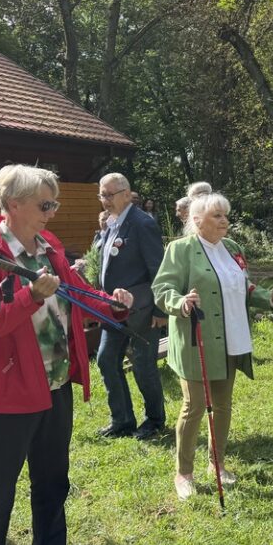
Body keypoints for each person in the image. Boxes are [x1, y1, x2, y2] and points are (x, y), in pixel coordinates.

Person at [0, 164, 134, 545]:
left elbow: (75, 290)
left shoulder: (48, 247)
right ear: (13, 205)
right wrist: (29, 297)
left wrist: (112, 304)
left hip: (53, 383)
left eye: (54, 203)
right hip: (3, 393)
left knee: (53, 476)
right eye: (45, 204)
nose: (51, 213)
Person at [152, 190, 273, 500]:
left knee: (223, 406)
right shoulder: (180, 249)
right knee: (196, 405)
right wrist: (181, 302)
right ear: (197, 220)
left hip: (231, 338)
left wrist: (269, 297)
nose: (225, 220)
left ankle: (219, 463)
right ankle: (184, 473)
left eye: (226, 214)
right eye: (218, 215)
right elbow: (162, 289)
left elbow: (244, 286)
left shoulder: (232, 248)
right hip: (195, 340)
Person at [94, 173, 167, 440]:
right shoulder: (112, 223)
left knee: (144, 365)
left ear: (127, 193)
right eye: (102, 195)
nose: (105, 201)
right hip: (112, 309)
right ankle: (122, 420)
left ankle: (155, 420)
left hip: (142, 310)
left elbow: (158, 269)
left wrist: (160, 311)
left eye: (109, 195)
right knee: (105, 359)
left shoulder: (141, 223)